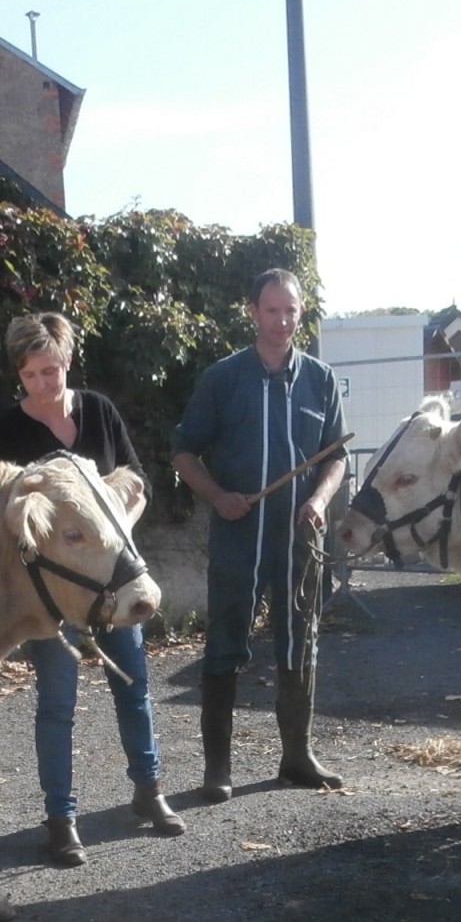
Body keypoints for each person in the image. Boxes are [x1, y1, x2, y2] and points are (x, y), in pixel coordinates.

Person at [0, 311, 184, 866]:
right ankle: (62, 818)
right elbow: (14, 512)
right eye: (32, 376)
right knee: (56, 703)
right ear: (20, 376)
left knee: (134, 685)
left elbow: (136, 483)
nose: (45, 384)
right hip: (58, 589)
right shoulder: (10, 430)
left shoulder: (98, 410)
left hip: (114, 578)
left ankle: (149, 792)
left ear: (68, 362)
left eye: (52, 371)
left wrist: (115, 536)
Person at [171, 267, 347, 802]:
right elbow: (183, 453)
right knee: (225, 642)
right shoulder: (222, 379)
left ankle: (297, 756)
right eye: (271, 310)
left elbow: (334, 456)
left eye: (290, 310)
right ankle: (217, 769)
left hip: (298, 539)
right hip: (239, 536)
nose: (282, 320)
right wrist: (217, 495)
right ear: (253, 311)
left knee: (301, 639)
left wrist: (318, 500)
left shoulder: (320, 379)